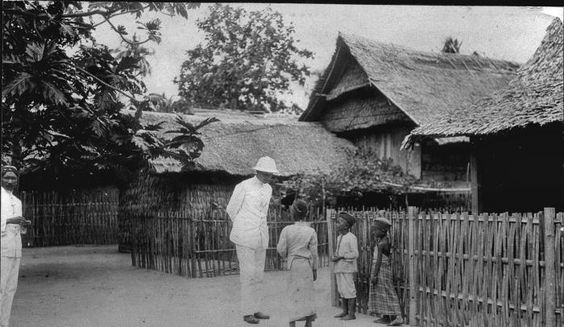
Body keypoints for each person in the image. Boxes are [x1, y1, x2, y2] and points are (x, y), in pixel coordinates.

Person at [226, 156, 278, 324]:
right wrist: (243, 226)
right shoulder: (243, 186)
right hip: (245, 236)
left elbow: (264, 212)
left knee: (258, 275)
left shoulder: (268, 189)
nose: (268, 177)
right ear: (257, 171)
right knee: (247, 274)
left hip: (261, 236)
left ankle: (255, 308)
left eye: (270, 174)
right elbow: (231, 209)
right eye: (265, 173)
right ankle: (247, 312)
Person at [277, 199, 318, 327]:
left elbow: (281, 250)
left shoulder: (287, 230)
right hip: (306, 265)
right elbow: (314, 254)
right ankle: (308, 323)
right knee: (307, 293)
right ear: (306, 214)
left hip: (293, 264)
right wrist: (315, 270)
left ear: (292, 213)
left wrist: (287, 255)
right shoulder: (310, 231)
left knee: (293, 293)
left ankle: (292, 324)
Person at [1, 166, 29, 327]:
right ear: (1, 178)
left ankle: (4, 323)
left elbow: (19, 228)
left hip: (15, 249)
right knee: (0, 287)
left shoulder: (17, 201)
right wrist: (9, 221)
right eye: (7, 177)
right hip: (2, 247)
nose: (10, 181)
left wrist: (23, 224)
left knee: (11, 288)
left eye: (13, 178)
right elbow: (7, 222)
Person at [368, 218, 404, 326]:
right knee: (382, 293)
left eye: (376, 230)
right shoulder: (384, 240)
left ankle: (398, 317)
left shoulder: (381, 244)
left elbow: (379, 261)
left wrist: (374, 275)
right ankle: (386, 316)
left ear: (383, 231)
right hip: (382, 268)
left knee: (388, 292)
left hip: (381, 270)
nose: (374, 232)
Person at [332, 211, 359, 321]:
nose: (337, 224)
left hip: (347, 268)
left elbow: (355, 254)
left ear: (346, 225)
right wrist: (335, 256)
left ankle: (352, 314)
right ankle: (345, 311)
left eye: (339, 222)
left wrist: (341, 256)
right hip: (339, 267)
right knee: (342, 289)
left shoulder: (351, 237)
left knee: (349, 290)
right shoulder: (339, 237)